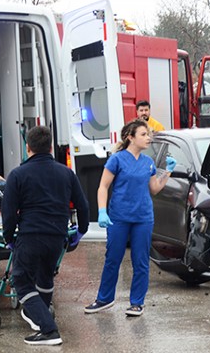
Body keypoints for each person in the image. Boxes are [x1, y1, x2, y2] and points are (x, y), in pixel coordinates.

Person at [1, 126, 90, 346]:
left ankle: (48, 329)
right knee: (45, 277)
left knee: (21, 281)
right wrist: (80, 232)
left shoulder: (18, 175)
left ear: (27, 147)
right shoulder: (66, 173)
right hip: (56, 237)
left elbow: (8, 212)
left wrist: (9, 238)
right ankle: (40, 318)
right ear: (50, 147)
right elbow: (83, 206)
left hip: (30, 235)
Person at [84, 119, 175, 317]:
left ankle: (137, 303)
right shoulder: (116, 160)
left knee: (140, 261)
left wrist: (167, 171)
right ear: (130, 137)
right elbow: (103, 187)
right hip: (119, 217)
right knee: (112, 259)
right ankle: (104, 299)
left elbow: (154, 189)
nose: (148, 138)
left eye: (149, 134)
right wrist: (101, 211)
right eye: (144, 134)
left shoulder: (148, 163)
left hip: (143, 218)